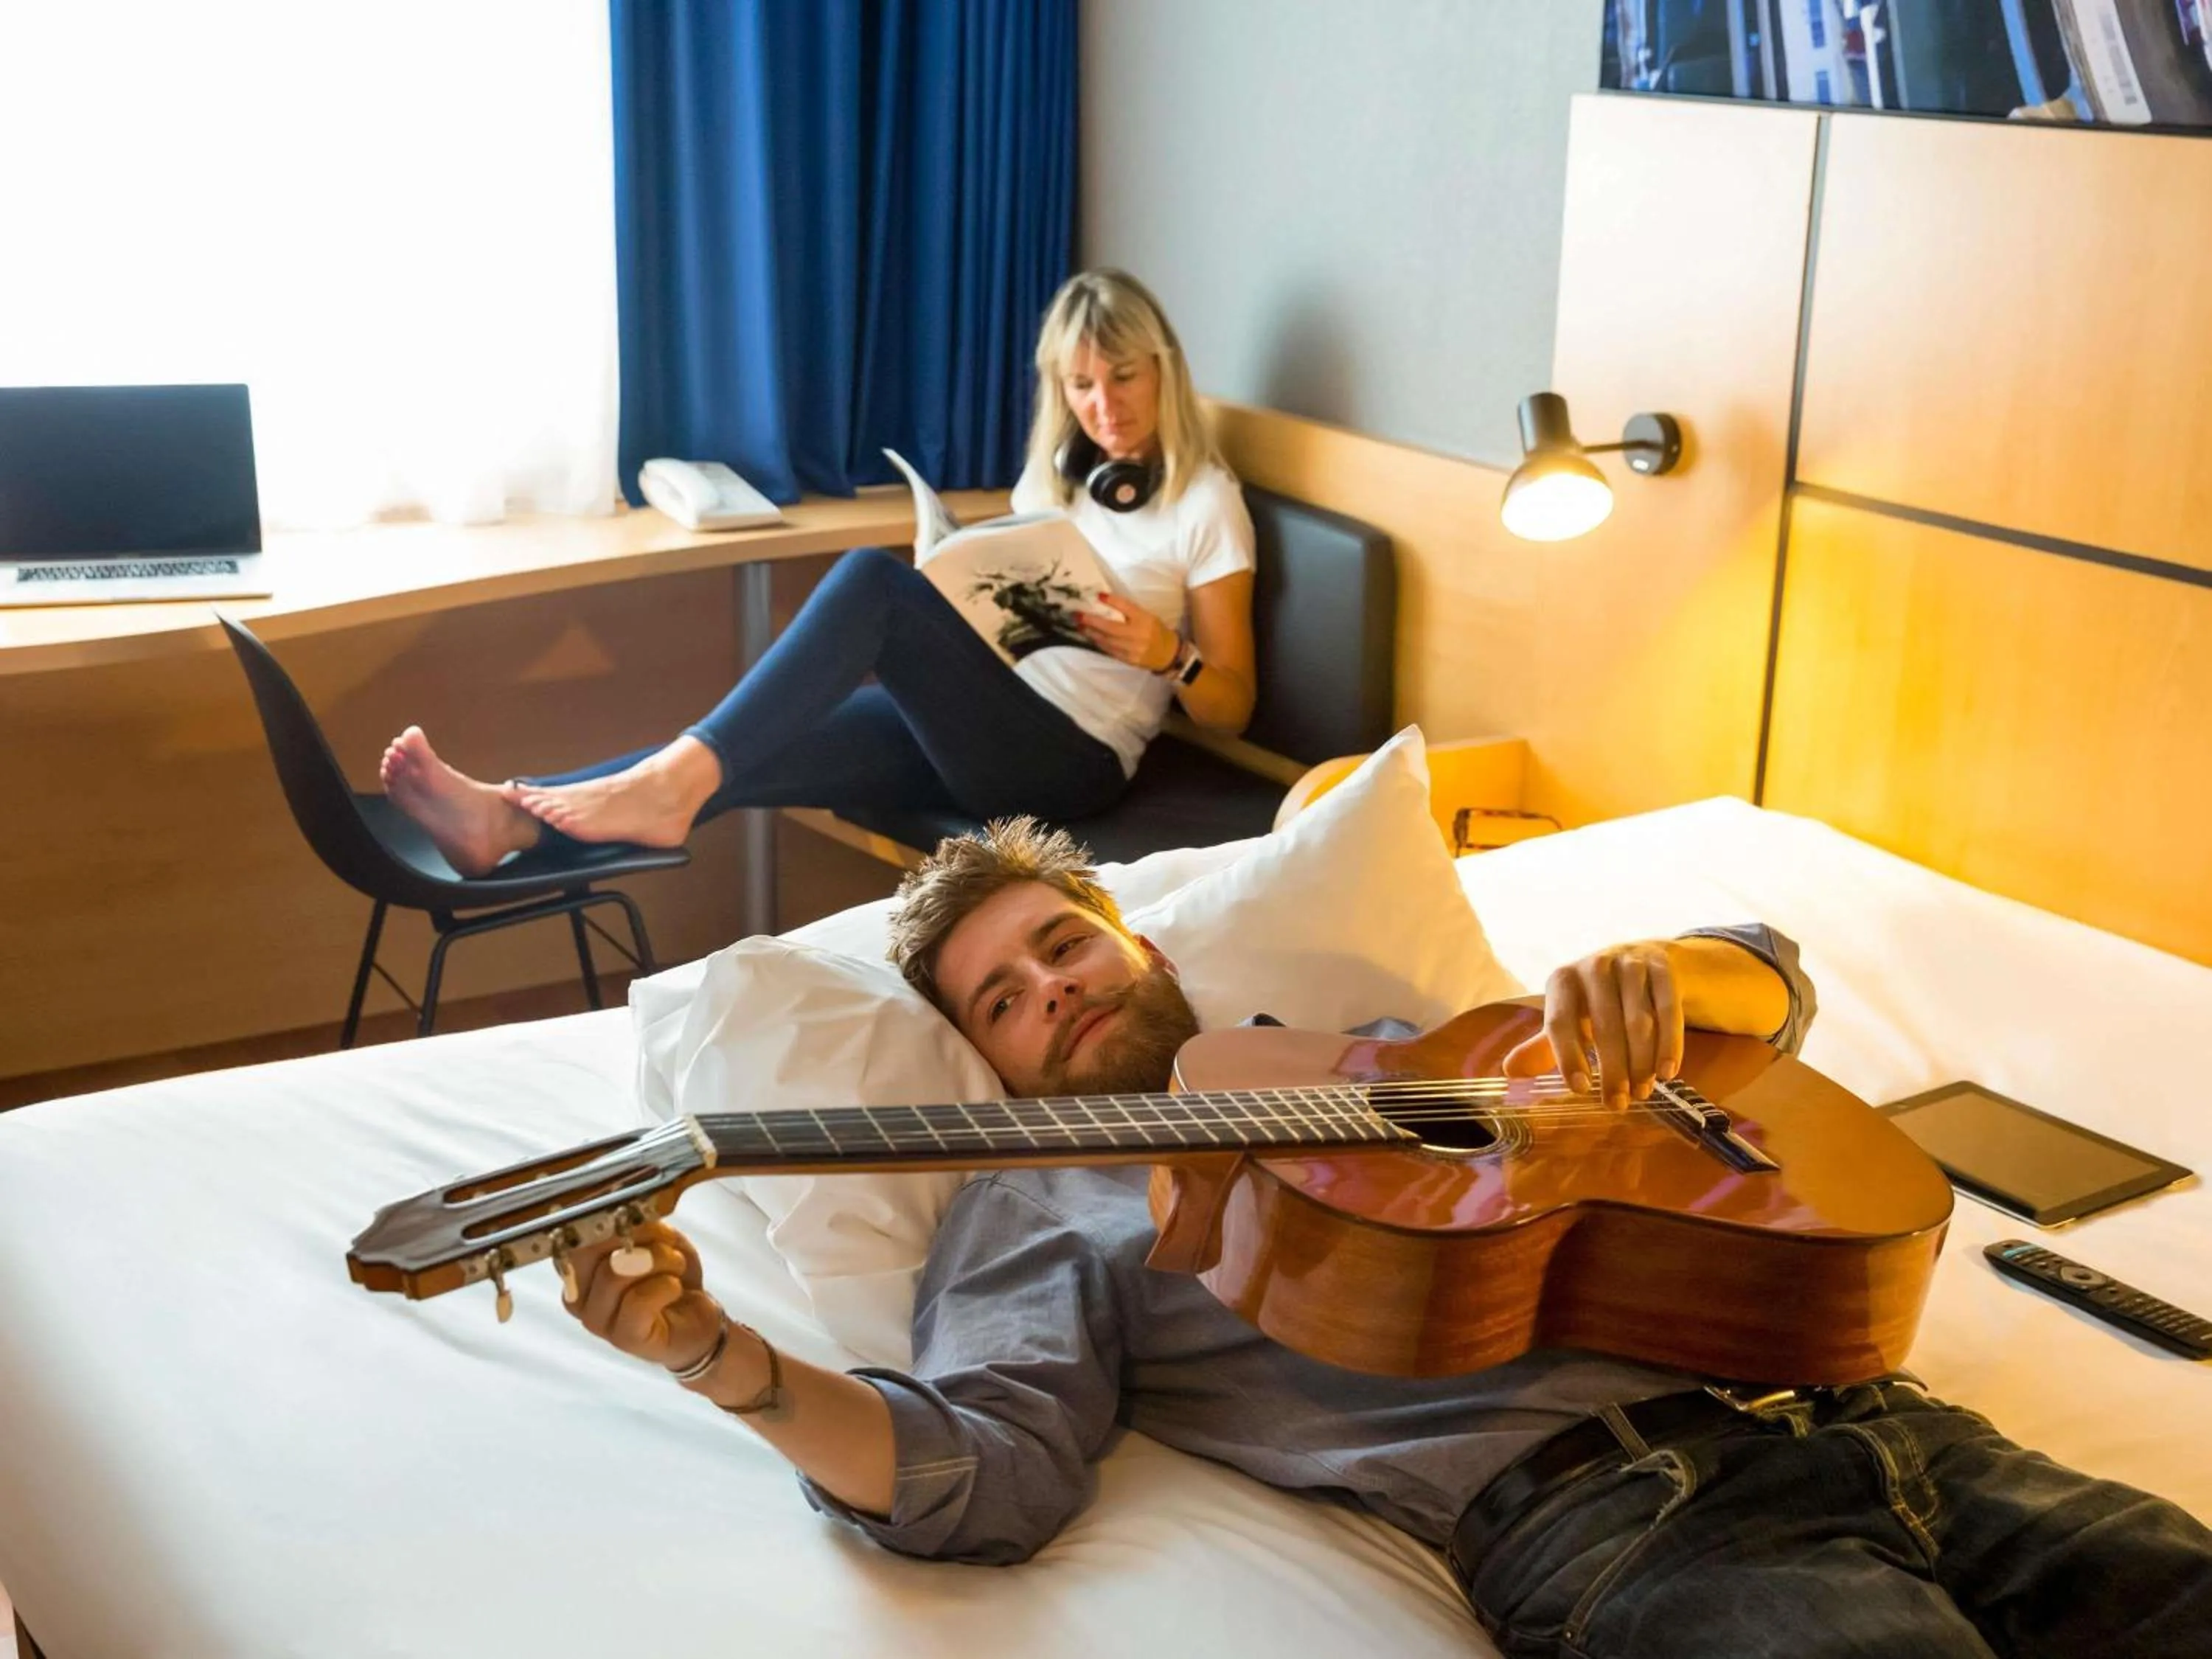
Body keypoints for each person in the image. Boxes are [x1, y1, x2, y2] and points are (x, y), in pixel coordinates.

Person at [558, 820, 2212, 1658]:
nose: (1054, 987)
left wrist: (1663, 975)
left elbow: (1765, 977)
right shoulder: (1029, 1203)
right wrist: (721, 1357)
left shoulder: (1404, 1040)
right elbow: (978, 1476)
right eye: (1007, 999)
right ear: (983, 1064)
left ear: (1140, 947)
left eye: (1067, 945)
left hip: (1882, 1412)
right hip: (1643, 1522)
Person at [375, 269, 1259, 877]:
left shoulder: (1206, 506)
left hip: (1073, 760)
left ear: (1167, 372)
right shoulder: (1059, 477)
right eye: (1080, 386)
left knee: (872, 586)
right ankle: (511, 820)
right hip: (990, 717)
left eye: (1125, 379)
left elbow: (1233, 703)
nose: (1103, 407)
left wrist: (1165, 654)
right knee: (753, 752)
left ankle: (656, 785)